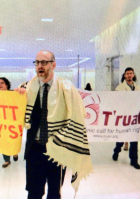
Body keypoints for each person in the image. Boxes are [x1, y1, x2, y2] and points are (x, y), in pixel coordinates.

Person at [15, 50, 92, 199]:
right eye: (37, 62)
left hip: (57, 148)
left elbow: (76, 115)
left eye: (44, 62)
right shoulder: (26, 88)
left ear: (54, 65)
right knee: (34, 192)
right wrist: (17, 98)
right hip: (34, 149)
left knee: (54, 193)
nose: (39, 66)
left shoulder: (66, 89)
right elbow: (16, 114)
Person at [112, 67, 140, 170]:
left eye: (131, 73)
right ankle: (116, 151)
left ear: (133, 75)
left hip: (134, 118)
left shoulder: (137, 87)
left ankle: (134, 161)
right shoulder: (120, 87)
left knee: (134, 139)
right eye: (127, 73)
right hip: (124, 116)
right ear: (124, 75)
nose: (129, 75)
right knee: (121, 138)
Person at [0, 77, 19, 168]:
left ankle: (14, 152)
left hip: (12, 121)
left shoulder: (13, 94)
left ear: (7, 84)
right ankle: (6, 160)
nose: (0, 85)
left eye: (2, 83)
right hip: (1, 121)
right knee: (3, 141)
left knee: (13, 139)